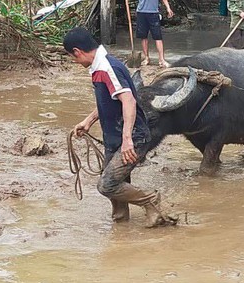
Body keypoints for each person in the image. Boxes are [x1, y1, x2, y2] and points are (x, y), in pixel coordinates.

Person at [63, 27, 175, 227]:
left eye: (73, 58)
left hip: (133, 137)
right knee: (116, 189)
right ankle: (121, 226)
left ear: (77, 51)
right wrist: (89, 121)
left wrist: (127, 140)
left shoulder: (108, 68)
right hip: (114, 138)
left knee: (107, 184)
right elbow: (110, 101)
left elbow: (129, 101)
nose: (75, 62)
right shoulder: (98, 68)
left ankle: (150, 199)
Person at [120, 0, 174, 68]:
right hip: (141, 12)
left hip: (153, 12)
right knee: (143, 37)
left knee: (158, 37)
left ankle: (161, 59)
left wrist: (168, 7)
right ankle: (146, 58)